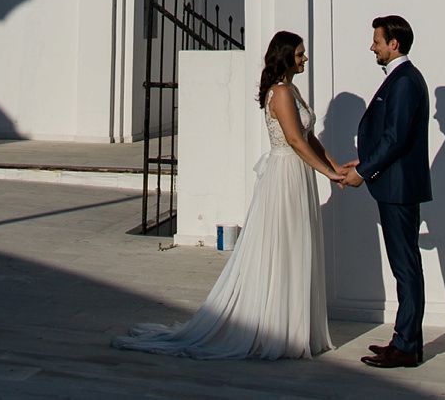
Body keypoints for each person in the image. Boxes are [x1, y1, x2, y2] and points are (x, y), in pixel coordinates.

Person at [113, 30, 344, 360]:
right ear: (285, 56)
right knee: (285, 244)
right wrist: (329, 173)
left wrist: (334, 164)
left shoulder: (292, 89)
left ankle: (295, 325)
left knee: (298, 244)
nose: (304, 58)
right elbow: (294, 140)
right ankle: (278, 327)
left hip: (299, 175)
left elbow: (309, 136)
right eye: (299, 54)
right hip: (285, 176)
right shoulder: (279, 92)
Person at [340, 15, 431, 369]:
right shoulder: (402, 79)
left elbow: (395, 138)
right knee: (404, 267)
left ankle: (407, 345)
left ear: (394, 44)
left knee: (405, 268)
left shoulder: (405, 81)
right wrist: (362, 162)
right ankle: (404, 340)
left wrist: (363, 171)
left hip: (397, 189)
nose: (372, 47)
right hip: (392, 185)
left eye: (377, 41)